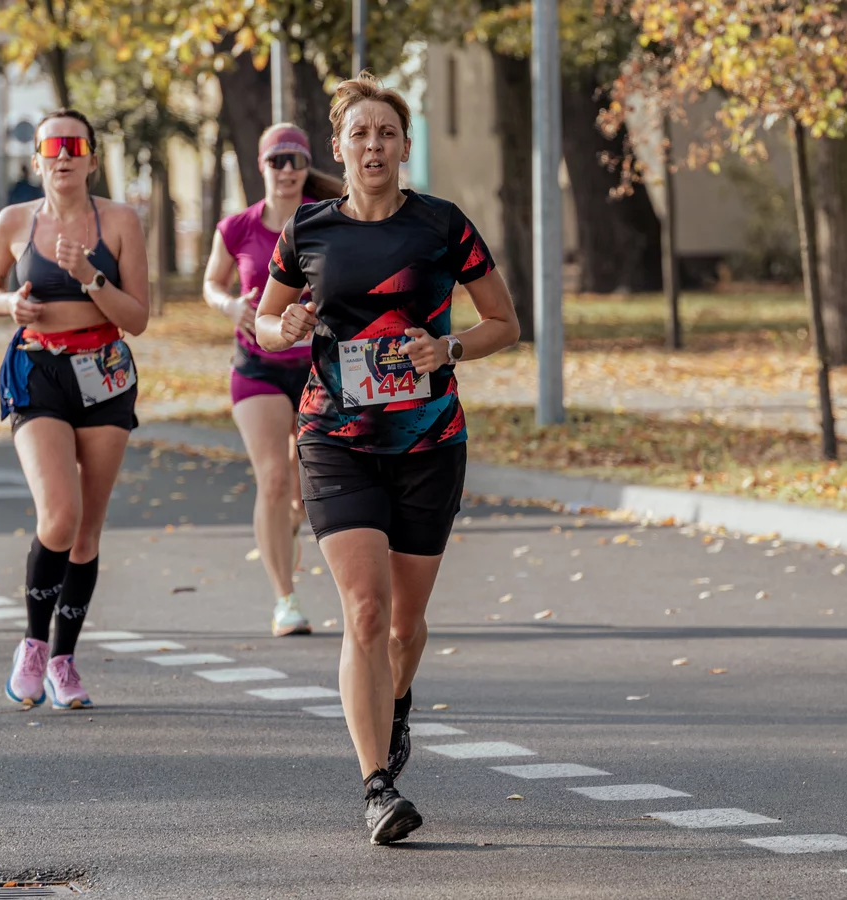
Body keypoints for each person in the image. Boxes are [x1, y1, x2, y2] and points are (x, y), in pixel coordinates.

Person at [256, 74, 519, 845]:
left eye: (386, 134)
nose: (373, 145)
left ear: (405, 147)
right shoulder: (307, 229)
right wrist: (285, 327)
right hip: (333, 438)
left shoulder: (441, 224)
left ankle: (395, 703)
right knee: (364, 611)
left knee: (404, 626)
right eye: (359, 134)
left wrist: (449, 348)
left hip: (428, 443)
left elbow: (503, 322)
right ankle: (377, 786)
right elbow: (265, 321)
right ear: (338, 148)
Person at [0, 109, 149, 710]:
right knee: (59, 515)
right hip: (38, 370)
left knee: (87, 529)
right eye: (51, 147)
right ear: (37, 161)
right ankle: (31, 644)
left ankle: (63, 661)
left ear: (92, 158)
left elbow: (137, 317)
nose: (64, 155)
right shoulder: (14, 221)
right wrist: (9, 305)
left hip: (104, 373)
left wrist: (90, 277)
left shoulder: (120, 221)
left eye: (75, 145)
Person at [202, 123, 343, 638]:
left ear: (307, 167)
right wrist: (229, 306)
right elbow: (211, 283)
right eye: (276, 160)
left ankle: (292, 521)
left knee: (306, 486)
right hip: (257, 366)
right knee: (274, 479)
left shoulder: (327, 219)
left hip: (319, 367)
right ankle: (285, 600)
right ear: (260, 166)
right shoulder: (237, 227)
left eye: (295, 160)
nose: (286, 170)